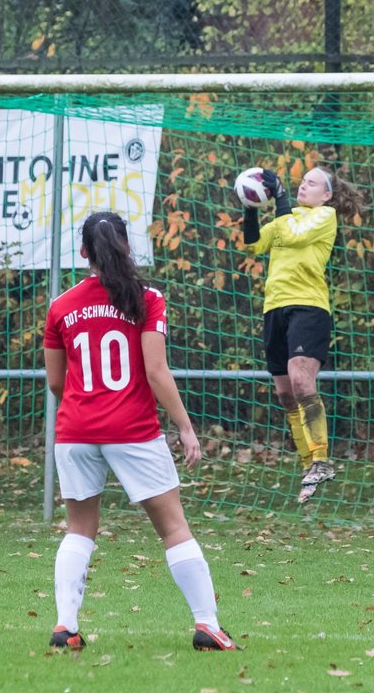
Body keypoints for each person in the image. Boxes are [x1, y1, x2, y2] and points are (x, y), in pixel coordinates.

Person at [42, 211, 238, 652]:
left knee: (78, 529)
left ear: (83, 252)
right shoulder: (146, 298)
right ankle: (207, 625)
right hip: (132, 429)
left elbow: (57, 383)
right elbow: (156, 371)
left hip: (74, 431)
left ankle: (65, 627)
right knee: (173, 528)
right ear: (128, 247)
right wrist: (185, 427)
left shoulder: (61, 306)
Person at [241, 165, 366, 503]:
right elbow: (254, 245)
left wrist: (279, 198)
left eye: (312, 183)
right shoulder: (287, 217)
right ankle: (309, 464)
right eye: (301, 182)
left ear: (326, 194)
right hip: (274, 308)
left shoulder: (324, 217)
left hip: (308, 307)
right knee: (284, 394)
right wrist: (249, 208)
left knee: (300, 380)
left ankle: (322, 459)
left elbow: (294, 234)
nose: (303, 186)